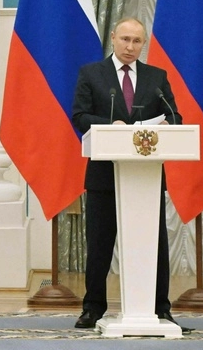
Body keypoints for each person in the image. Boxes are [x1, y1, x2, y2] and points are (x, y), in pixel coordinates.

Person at [71, 17, 189, 333]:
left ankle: (160, 310)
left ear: (143, 43)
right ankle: (92, 309)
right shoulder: (92, 74)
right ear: (113, 38)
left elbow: (175, 115)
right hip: (104, 175)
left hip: (145, 179)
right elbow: (79, 117)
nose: (130, 47)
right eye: (125, 39)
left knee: (155, 245)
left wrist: (168, 124)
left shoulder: (156, 77)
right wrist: (113, 127)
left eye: (136, 41)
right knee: (99, 245)